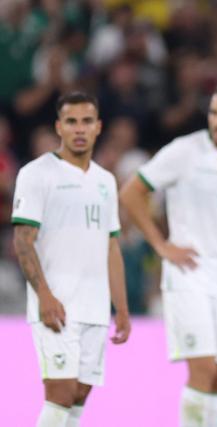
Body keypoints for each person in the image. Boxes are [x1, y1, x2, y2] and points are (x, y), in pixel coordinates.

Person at [119, 84, 217, 427]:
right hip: (188, 273)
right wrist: (162, 245)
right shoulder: (184, 151)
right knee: (203, 368)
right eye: (214, 113)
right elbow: (132, 192)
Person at [11, 91, 131, 427]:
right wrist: (44, 296)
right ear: (58, 127)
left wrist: (120, 308)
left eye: (87, 121)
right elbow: (23, 241)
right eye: (71, 122)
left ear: (98, 127)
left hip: (94, 306)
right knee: (60, 393)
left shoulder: (106, 181)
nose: (79, 129)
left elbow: (112, 246)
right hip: (57, 303)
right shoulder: (37, 174)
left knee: (78, 395)